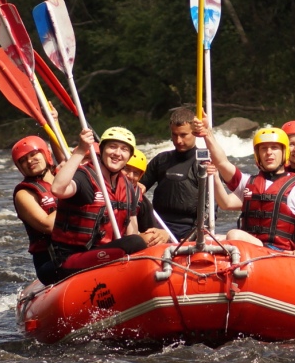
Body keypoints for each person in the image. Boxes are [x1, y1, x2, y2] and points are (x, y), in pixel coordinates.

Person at [192, 120, 295, 259]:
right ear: (258, 154)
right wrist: (207, 135)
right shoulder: (248, 182)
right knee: (207, 238)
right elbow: (222, 163)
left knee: (234, 235)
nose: (269, 153)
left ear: (284, 152)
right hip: (250, 249)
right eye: (263, 149)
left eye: (274, 148)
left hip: (278, 252)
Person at [46, 126, 152, 279]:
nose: (117, 153)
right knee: (135, 243)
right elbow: (57, 189)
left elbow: (132, 232)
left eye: (124, 149)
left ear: (129, 156)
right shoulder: (85, 177)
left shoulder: (128, 188)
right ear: (102, 150)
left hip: (106, 254)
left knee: (138, 242)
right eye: (112, 147)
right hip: (72, 259)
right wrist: (81, 150)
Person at [139, 108, 202, 241]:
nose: (178, 140)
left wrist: (193, 237)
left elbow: (211, 209)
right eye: (174, 135)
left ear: (195, 133)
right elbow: (138, 187)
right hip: (159, 225)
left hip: (190, 228)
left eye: (184, 135)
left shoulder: (204, 163)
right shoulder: (161, 160)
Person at [11, 136, 57, 279]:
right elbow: (48, 225)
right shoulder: (24, 193)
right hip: (51, 259)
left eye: (33, 154)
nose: (29, 161)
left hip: (78, 248)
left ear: (45, 154)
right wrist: (71, 197)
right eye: (23, 160)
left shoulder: (66, 177)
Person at [123, 148, 171, 246]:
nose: (130, 176)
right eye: (126, 169)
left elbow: (152, 231)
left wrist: (164, 234)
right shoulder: (102, 190)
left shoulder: (141, 201)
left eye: (136, 173)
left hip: (127, 245)